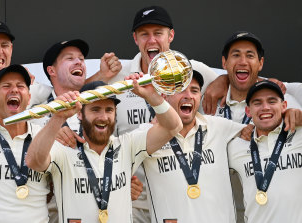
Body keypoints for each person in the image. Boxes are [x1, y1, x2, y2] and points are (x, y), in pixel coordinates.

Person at [86, 6, 219, 222]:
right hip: (134, 199)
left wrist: (222, 82)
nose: (152, 40)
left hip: (180, 196)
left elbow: (242, 87)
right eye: (144, 34)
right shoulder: (119, 77)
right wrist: (100, 75)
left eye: (158, 33)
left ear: (171, 35)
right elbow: (75, 105)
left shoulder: (190, 69)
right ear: (135, 38)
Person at [25, 79, 182, 222]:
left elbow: (174, 126)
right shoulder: (65, 149)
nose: (103, 116)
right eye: (95, 109)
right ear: (79, 114)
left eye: (109, 110)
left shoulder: (128, 145)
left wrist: (152, 96)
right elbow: (33, 161)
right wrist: (58, 119)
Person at [40, 38, 140, 223]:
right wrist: (52, 130)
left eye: (81, 58)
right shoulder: (38, 113)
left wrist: (124, 186)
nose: (78, 62)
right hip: (53, 215)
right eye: (69, 58)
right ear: (51, 70)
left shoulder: (102, 112)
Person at [207, 31, 302, 222]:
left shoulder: (287, 103)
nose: (242, 61)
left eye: (250, 55)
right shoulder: (206, 100)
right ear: (224, 63)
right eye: (236, 55)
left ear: (261, 63)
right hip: (222, 214)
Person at [135, 70, 245, 222]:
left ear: (200, 97)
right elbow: (114, 161)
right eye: (180, 90)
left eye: (194, 90)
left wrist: (287, 114)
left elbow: (259, 131)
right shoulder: (148, 135)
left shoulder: (219, 126)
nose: (188, 95)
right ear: (164, 96)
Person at [0, 64, 50, 222]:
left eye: (20, 86)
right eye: (6, 86)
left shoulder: (45, 137)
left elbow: (54, 190)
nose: (14, 90)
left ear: (29, 97)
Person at [228, 80, 302, 223]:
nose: (265, 107)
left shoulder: (299, 134)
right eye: (257, 103)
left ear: (284, 106)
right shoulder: (235, 146)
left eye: (272, 101)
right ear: (248, 111)